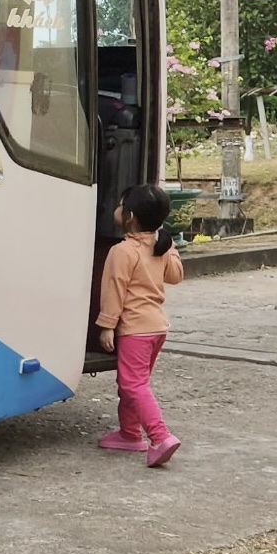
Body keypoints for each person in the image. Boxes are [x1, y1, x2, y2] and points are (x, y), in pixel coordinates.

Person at [96, 184, 185, 468]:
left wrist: (107, 325)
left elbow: (114, 290)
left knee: (133, 384)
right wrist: (169, 246)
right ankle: (129, 434)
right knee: (134, 384)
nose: (118, 209)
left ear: (129, 216)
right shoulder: (159, 247)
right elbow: (176, 276)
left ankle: (159, 436)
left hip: (135, 329)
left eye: (122, 205)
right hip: (157, 328)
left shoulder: (123, 251)